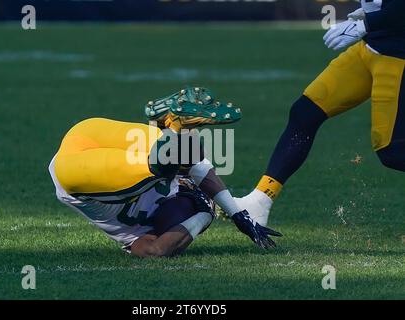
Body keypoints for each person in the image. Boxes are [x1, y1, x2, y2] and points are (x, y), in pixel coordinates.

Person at [49, 87, 282, 257]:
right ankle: (173, 127)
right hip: (90, 137)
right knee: (169, 155)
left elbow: (156, 251)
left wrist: (203, 216)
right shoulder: (182, 180)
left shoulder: (139, 234)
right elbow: (197, 160)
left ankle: (172, 124)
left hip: (73, 175)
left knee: (159, 163)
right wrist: (237, 215)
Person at [236, 0, 405, 227]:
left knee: (392, 151)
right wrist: (372, 12)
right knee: (305, 112)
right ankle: (259, 201)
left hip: (397, 56)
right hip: (370, 48)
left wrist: (368, 22)